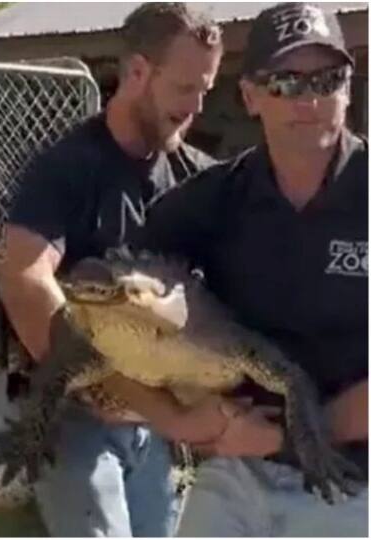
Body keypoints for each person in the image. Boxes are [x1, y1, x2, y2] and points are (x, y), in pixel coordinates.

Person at [0, 3, 229, 536]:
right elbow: (24, 280)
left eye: (205, 90)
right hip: (78, 415)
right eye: (184, 87)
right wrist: (114, 387)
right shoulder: (68, 166)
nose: (195, 106)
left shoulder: (194, 178)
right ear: (138, 72)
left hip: (157, 426)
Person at [140, 3, 368, 536]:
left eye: (327, 79)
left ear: (349, 87)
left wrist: (289, 437)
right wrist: (175, 418)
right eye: (286, 81)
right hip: (238, 469)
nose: (310, 99)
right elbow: (99, 316)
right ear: (250, 96)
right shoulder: (210, 202)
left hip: (358, 479)